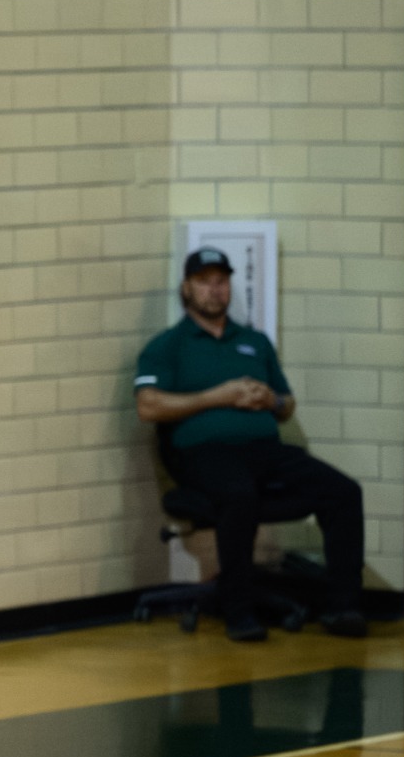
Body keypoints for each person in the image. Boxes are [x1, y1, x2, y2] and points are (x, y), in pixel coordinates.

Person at [132, 246, 367, 642]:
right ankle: (239, 610)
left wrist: (270, 401)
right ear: (186, 289)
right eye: (204, 282)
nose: (214, 290)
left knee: (343, 492)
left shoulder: (255, 342)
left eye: (221, 281)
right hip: (200, 453)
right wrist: (217, 396)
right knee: (238, 495)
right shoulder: (168, 346)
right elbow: (147, 405)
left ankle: (343, 606)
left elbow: (287, 403)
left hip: (262, 449)